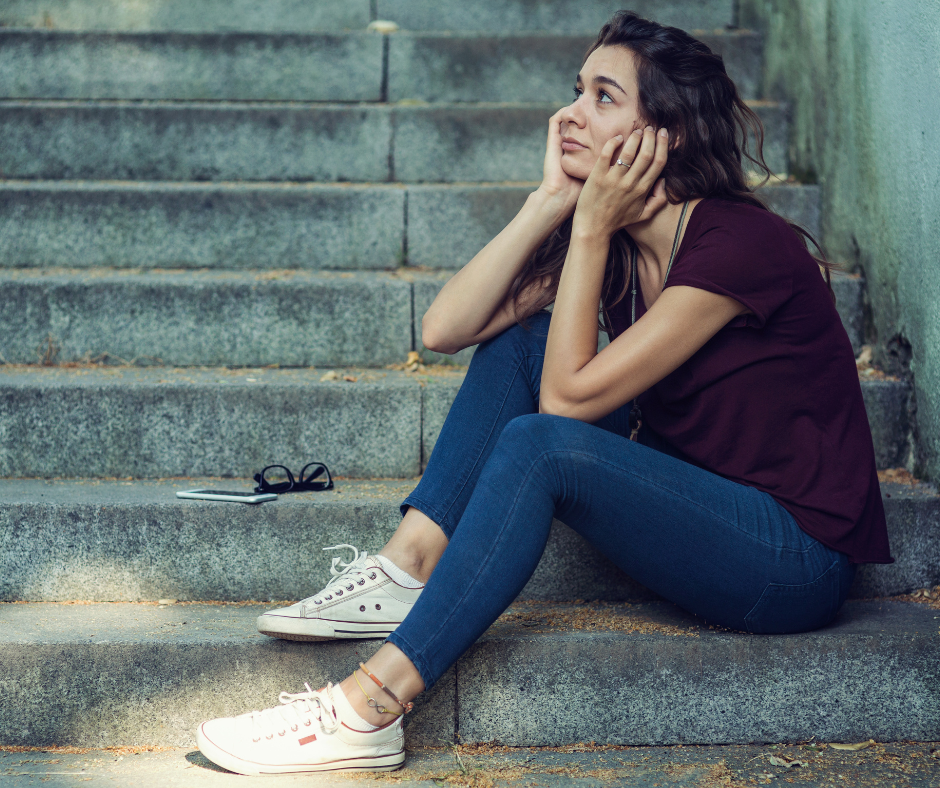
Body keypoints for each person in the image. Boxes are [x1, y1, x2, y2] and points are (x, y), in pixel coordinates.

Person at [196, 10, 892, 775]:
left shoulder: (738, 245)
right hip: (701, 511)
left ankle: (369, 709)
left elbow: (561, 413)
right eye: (575, 91)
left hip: (791, 559)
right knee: (524, 340)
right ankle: (409, 568)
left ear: (670, 133)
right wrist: (550, 202)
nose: (567, 114)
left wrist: (590, 229)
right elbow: (445, 327)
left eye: (603, 97)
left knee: (541, 444)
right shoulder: (624, 249)